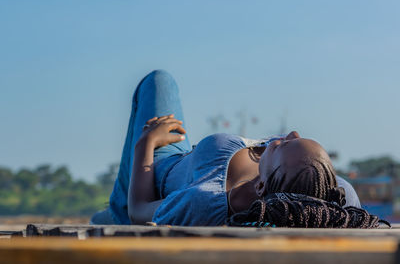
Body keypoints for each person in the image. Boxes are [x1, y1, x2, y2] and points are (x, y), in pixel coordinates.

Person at [90, 69, 361, 226]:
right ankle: (105, 214)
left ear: (261, 187)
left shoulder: (206, 201)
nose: (291, 133)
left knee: (158, 81)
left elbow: (138, 211)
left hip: (156, 165)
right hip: (188, 157)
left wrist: (146, 143)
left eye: (282, 145)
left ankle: (113, 211)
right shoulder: (332, 192)